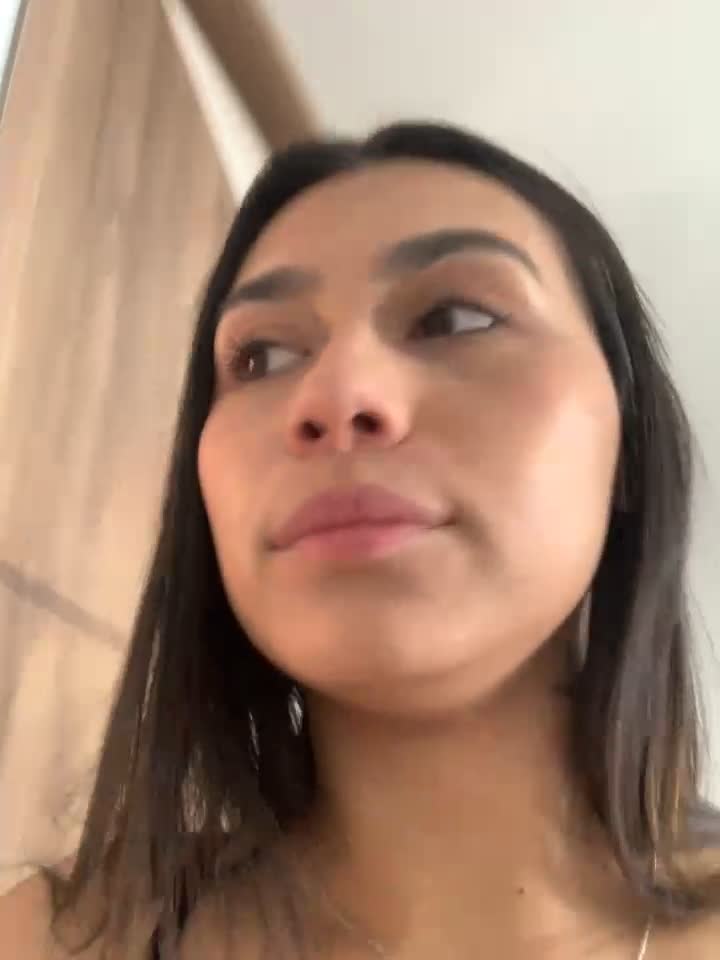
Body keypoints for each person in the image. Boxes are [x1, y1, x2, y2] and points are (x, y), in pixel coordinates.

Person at [3, 121, 720, 959]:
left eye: (454, 317)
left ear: (627, 446)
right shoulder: (57, 941)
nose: (335, 393)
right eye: (262, 356)